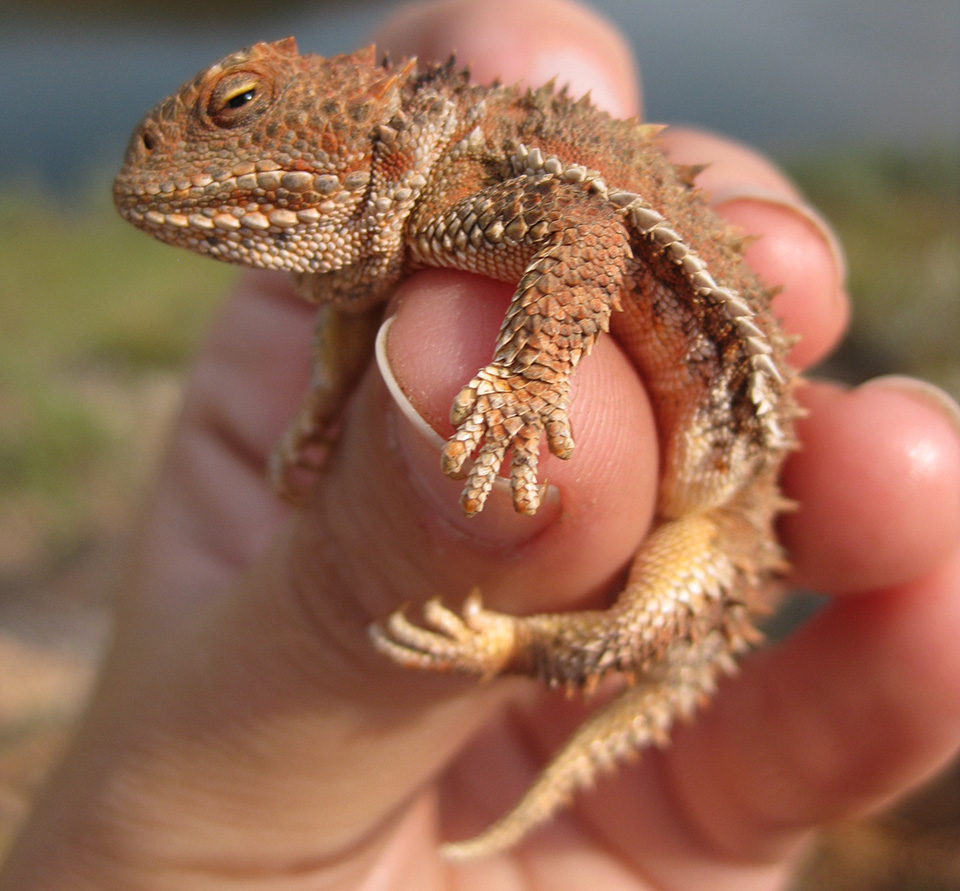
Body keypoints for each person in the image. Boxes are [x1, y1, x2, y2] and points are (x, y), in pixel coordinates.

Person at [3, 0, 959, 887]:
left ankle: (518, 637)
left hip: (722, 499)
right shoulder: (400, 232)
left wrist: (527, 382)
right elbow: (355, 305)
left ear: (361, 122)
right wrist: (330, 396)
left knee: (648, 616)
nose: (173, 141)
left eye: (239, 106)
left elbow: (585, 234)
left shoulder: (462, 185)